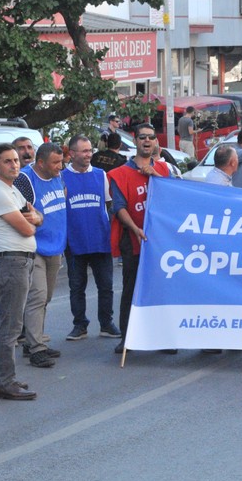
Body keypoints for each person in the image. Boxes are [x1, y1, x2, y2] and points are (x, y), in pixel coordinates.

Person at [0, 144, 43, 400]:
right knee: (10, 326)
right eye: (7, 161)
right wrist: (32, 220)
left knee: (10, 324)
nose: (14, 165)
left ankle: (3, 379)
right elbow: (28, 228)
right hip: (11, 263)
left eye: (16, 160)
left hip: (20, 261)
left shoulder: (13, 190)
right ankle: (3, 382)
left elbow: (37, 216)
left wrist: (34, 219)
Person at [108, 123, 173, 353]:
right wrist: (135, 228)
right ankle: (128, 338)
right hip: (134, 241)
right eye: (142, 137)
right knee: (132, 290)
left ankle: (162, 339)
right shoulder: (119, 173)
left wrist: (155, 175)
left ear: (156, 141)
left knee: (161, 290)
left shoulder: (165, 170)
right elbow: (118, 206)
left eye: (151, 137)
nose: (147, 141)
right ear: (135, 141)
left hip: (161, 243)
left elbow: (175, 198)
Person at [62, 136, 119, 342]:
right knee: (77, 286)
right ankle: (80, 325)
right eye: (84, 151)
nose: (88, 154)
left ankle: (106, 323)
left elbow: (108, 204)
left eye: (90, 150)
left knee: (106, 285)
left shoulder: (100, 174)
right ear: (72, 154)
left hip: (100, 239)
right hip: (74, 241)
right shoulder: (61, 178)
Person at [21, 143, 68, 368]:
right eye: (55, 163)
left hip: (55, 245)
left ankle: (33, 338)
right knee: (38, 296)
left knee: (46, 297)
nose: (60, 166)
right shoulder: (25, 179)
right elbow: (20, 213)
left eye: (61, 162)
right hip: (34, 246)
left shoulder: (58, 175)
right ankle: (36, 347)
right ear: (41, 163)